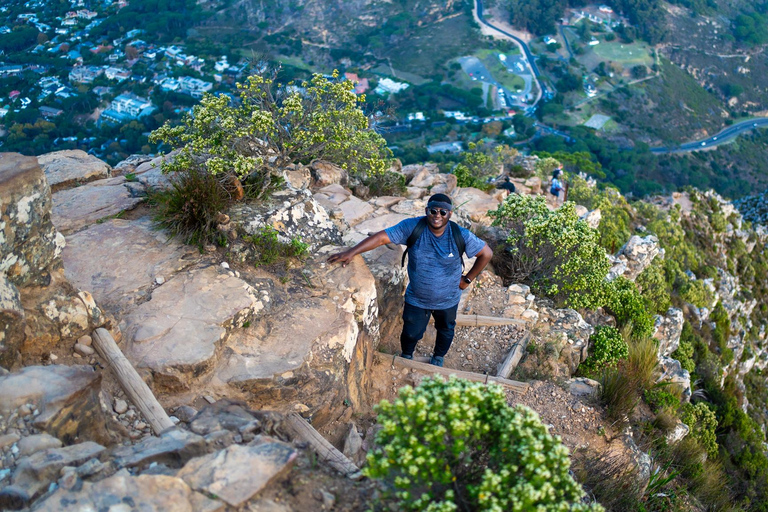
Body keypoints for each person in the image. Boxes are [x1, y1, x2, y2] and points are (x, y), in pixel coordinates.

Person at [327, 193, 493, 367]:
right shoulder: (413, 227)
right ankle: (407, 356)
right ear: (426, 210)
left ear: (450, 214)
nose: (437, 215)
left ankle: (438, 357)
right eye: (433, 211)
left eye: (443, 212)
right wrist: (352, 252)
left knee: (445, 330)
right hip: (417, 298)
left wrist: (467, 279)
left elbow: (486, 253)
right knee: (411, 332)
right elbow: (382, 237)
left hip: (448, 299)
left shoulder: (459, 234)